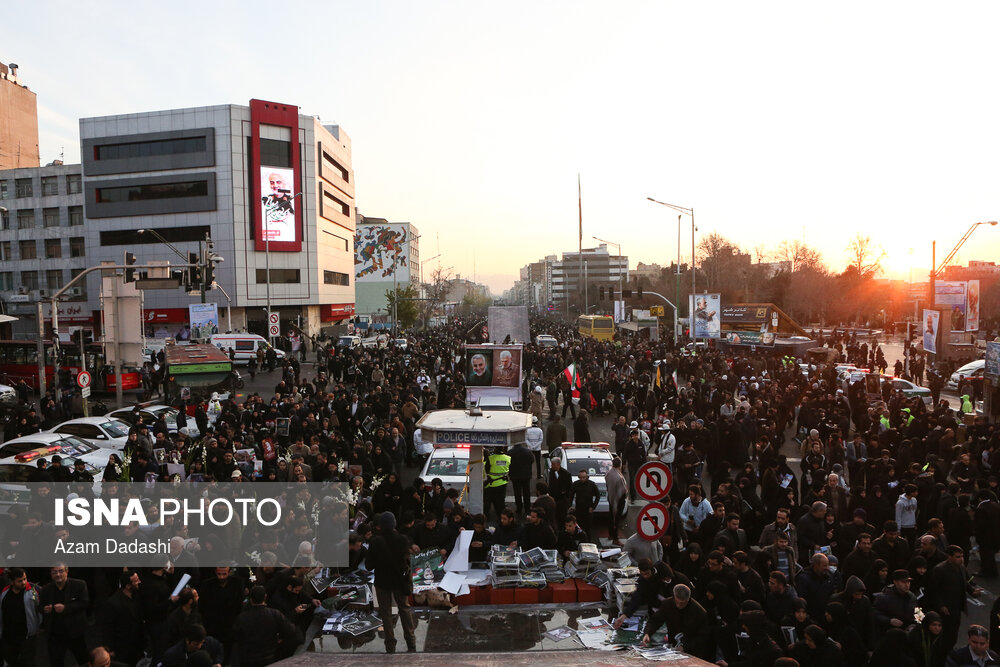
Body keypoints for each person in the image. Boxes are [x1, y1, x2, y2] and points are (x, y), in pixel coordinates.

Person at [365, 512, 416, 653]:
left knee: (386, 613)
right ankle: (411, 641)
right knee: (405, 609)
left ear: (380, 526)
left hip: (382, 582)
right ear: (394, 524)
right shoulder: (403, 540)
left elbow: (369, 565)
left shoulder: (375, 541)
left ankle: (390, 644)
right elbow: (407, 561)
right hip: (400, 581)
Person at [231, 586, 301, 667]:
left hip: (248, 657)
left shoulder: (242, 617)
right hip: (269, 656)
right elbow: (290, 629)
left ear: (251, 599)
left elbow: (236, 636)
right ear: (265, 597)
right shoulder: (274, 614)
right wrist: (280, 638)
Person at [39, 564, 89, 667]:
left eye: (61, 571)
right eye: (54, 572)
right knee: (56, 662)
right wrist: (44, 609)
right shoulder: (45, 589)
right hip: (55, 634)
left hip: (75, 632)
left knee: (83, 660)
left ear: (67, 571)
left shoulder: (79, 585)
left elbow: (84, 603)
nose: (58, 574)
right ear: (51, 574)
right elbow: (39, 607)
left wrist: (66, 608)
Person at [0, 567, 40, 667]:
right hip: (8, 635)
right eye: (19, 581)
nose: (23, 582)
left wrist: (37, 625)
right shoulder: (5, 592)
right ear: (12, 582)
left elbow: (40, 607)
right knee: (11, 659)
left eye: (24, 579)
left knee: (28, 662)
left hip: (26, 635)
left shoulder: (33, 590)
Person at [571, 470, 601, 538]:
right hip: (579, 509)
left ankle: (589, 541)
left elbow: (598, 496)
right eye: (580, 477)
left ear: (587, 477)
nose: (582, 479)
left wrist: (593, 507)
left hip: (588, 509)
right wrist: (570, 506)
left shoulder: (592, 484)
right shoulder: (576, 484)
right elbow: (571, 495)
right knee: (578, 527)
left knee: (588, 528)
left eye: (584, 477)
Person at [606, 457, 629, 545]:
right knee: (616, 519)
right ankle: (615, 538)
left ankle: (611, 534)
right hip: (618, 500)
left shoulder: (608, 473)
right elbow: (623, 490)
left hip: (611, 497)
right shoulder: (618, 477)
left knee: (611, 516)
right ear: (619, 465)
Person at [484, 447, 511, 522]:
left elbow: (487, 470)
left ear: (495, 449)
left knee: (488, 502)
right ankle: (501, 519)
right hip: (503, 483)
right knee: (501, 503)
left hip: (492, 484)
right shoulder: (508, 458)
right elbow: (510, 469)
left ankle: (487, 519)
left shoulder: (491, 458)